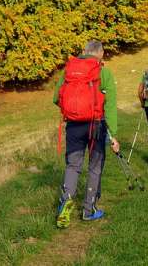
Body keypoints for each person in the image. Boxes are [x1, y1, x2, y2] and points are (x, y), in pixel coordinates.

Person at [53, 40, 120, 228]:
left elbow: (56, 98)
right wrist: (113, 135)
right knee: (94, 167)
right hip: (96, 126)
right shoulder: (104, 72)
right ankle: (89, 210)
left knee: (73, 165)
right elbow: (111, 106)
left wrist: (73, 111)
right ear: (101, 53)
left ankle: (65, 202)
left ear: (84, 51)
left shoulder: (70, 69)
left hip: (73, 126)